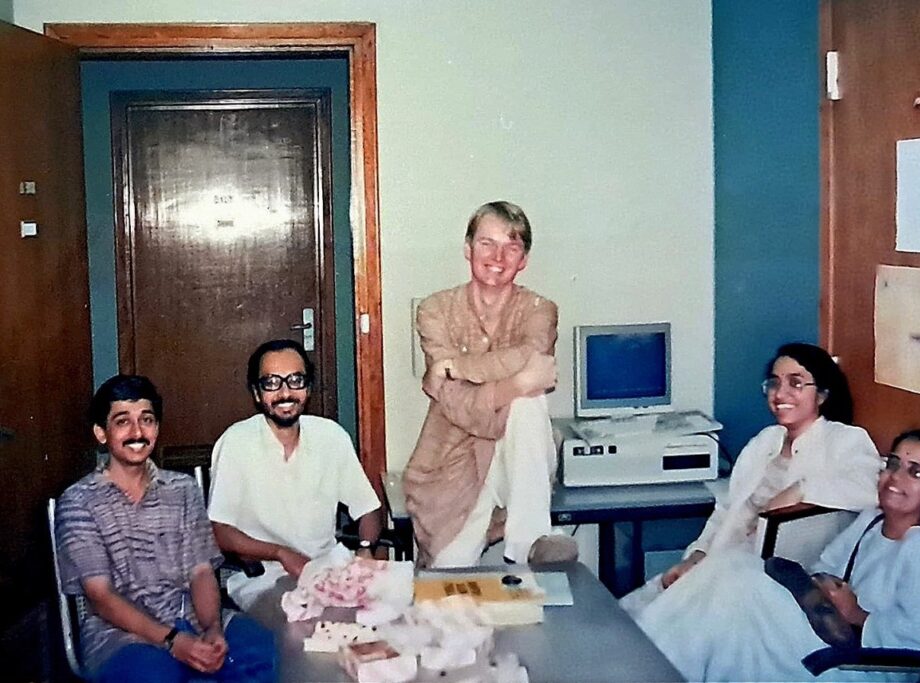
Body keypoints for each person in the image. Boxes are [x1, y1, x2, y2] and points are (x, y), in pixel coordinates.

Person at [633, 429, 920, 681]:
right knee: (731, 566)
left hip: (856, 665)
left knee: (737, 588)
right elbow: (824, 566)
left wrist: (856, 613)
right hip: (824, 633)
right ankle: (645, 657)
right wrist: (826, 590)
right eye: (893, 464)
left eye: (914, 472)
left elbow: (917, 645)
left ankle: (641, 666)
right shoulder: (871, 521)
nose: (896, 477)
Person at [54, 375, 276, 683]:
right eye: (122, 422)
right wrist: (172, 641)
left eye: (147, 420)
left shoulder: (182, 489)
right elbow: (100, 596)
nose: (137, 432)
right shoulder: (78, 502)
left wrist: (212, 628)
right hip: (121, 636)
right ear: (101, 433)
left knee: (263, 652)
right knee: (157, 677)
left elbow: (201, 572)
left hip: (191, 619)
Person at [404, 200, 576, 567]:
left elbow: (531, 357)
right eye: (487, 243)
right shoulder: (435, 309)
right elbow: (456, 405)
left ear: (524, 259)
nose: (498, 256)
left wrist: (455, 366)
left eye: (511, 247)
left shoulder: (539, 309)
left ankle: (529, 540)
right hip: (453, 464)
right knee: (448, 585)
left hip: (516, 458)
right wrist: (519, 381)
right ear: (468, 250)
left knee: (529, 402)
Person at [650, 342, 881, 591]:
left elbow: (870, 491)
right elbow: (727, 510)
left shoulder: (845, 439)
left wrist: (799, 490)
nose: (780, 394)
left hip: (774, 579)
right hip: (724, 559)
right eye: (774, 383)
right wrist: (696, 556)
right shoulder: (765, 441)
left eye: (796, 382)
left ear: (822, 394)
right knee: (644, 607)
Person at [207, 339, 382, 610]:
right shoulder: (236, 442)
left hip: (329, 569)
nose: (285, 393)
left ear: (308, 388)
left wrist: (365, 549)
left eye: (295, 380)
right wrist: (280, 553)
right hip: (263, 577)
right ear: (256, 393)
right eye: (272, 383)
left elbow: (368, 508)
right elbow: (220, 531)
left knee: (389, 619)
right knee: (301, 629)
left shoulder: (331, 436)